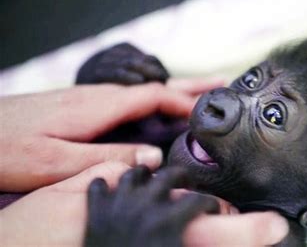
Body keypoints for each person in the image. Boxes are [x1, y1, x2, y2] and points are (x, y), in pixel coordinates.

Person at [0, 78, 289, 246]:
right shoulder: (170, 132)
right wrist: (108, 76)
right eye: (251, 81)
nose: (219, 102)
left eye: (275, 116)